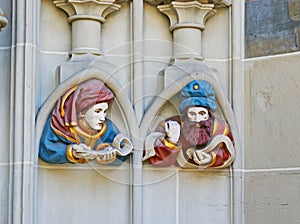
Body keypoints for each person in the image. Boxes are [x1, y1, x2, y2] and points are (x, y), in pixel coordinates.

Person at [143, 80, 235, 169]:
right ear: (185, 115)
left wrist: (211, 158)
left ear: (209, 114)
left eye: (202, 114)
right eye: (192, 114)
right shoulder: (171, 125)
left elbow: (227, 152)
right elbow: (157, 160)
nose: (197, 120)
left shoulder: (221, 128)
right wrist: (171, 141)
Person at [39, 78, 133, 165]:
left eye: (104, 112)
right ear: (82, 111)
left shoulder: (107, 128)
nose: (102, 118)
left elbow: (124, 152)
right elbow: (45, 148)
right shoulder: (60, 125)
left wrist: (109, 154)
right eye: (97, 111)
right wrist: (71, 152)